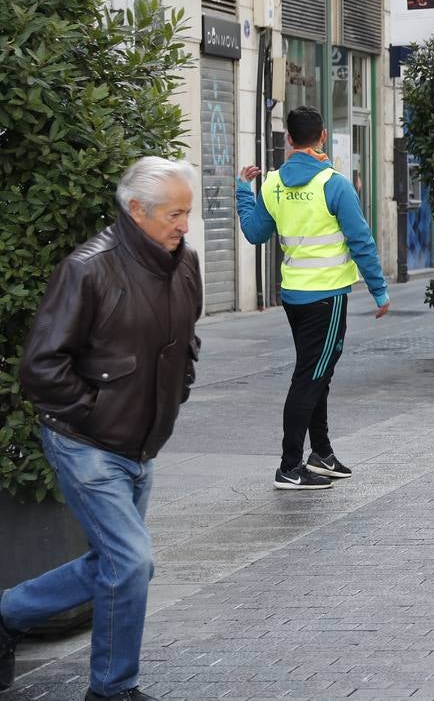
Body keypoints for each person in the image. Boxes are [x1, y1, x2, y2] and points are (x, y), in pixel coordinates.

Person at [2, 158, 203, 701]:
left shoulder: (185, 265)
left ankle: (6, 615)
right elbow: (41, 366)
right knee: (132, 562)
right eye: (174, 213)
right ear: (135, 210)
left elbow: (188, 339)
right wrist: (95, 410)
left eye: (188, 212)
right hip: (87, 443)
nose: (184, 224)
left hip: (142, 444)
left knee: (112, 563)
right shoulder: (88, 269)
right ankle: (112, 690)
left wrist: (179, 383)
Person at [237, 106, 391, 490]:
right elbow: (361, 241)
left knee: (316, 370)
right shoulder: (334, 184)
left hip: (294, 296)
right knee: (310, 376)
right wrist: (379, 289)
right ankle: (289, 466)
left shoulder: (271, 184)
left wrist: (243, 191)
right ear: (322, 137)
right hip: (327, 296)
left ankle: (321, 454)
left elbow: (255, 234)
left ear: (289, 139)